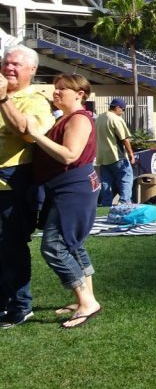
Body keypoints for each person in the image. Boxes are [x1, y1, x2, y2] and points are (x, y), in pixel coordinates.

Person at [26, 74, 102, 328]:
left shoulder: (79, 119)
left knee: (54, 246)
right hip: (66, 188)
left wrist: (36, 134)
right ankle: (84, 298)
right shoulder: (68, 118)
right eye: (55, 89)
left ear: (80, 94)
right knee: (73, 243)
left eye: (62, 90)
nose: (55, 93)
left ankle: (87, 302)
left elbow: (70, 155)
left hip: (73, 189)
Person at [0, 45, 55, 328]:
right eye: (6, 62)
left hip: (13, 182)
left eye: (16, 64)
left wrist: (4, 99)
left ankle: (20, 305)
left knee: (11, 246)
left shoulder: (34, 101)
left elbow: (27, 134)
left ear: (32, 70)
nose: (9, 68)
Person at [95, 97, 135, 207]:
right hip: (117, 155)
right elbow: (124, 138)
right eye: (123, 109)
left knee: (106, 182)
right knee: (126, 179)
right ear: (117, 107)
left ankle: (106, 203)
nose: (123, 112)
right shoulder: (115, 119)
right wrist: (131, 154)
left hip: (103, 156)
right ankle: (124, 202)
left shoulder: (100, 118)